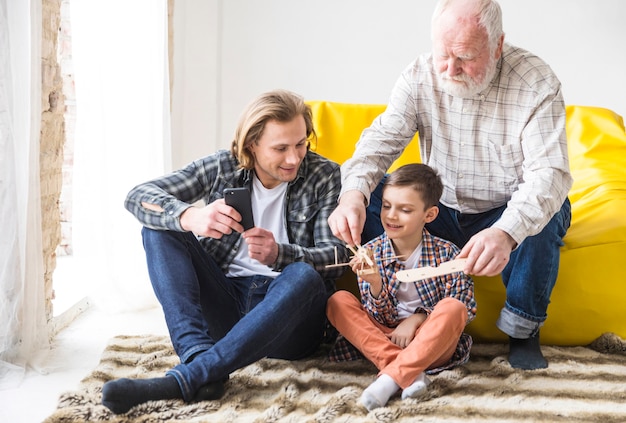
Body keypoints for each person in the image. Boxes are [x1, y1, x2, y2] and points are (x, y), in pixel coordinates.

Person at [328, 0, 572, 370]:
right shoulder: (419, 75)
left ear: (498, 45)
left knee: (547, 211)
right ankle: (395, 313)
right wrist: (352, 196)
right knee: (369, 194)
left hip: (502, 213)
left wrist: (505, 233)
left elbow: (548, 175)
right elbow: (379, 143)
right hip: (438, 212)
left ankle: (523, 329)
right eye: (443, 54)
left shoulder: (536, 83)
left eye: (465, 57)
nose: (451, 68)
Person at [101, 89, 349, 414]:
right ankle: (196, 356)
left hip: (290, 322)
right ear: (251, 145)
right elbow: (139, 196)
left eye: (301, 144)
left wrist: (280, 254)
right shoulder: (222, 166)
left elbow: (338, 257)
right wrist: (191, 217)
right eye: (280, 148)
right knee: (160, 227)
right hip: (226, 305)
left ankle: (188, 378)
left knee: (303, 275)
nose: (294, 158)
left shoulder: (325, 175)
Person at [326, 163, 476, 410]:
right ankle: (408, 373)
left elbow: (465, 308)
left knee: (453, 307)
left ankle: (388, 379)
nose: (391, 216)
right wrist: (374, 282)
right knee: (338, 301)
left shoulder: (447, 253)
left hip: (429, 340)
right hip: (383, 335)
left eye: (405, 210)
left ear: (429, 215)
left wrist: (417, 319)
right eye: (386, 206)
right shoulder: (371, 252)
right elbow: (377, 316)